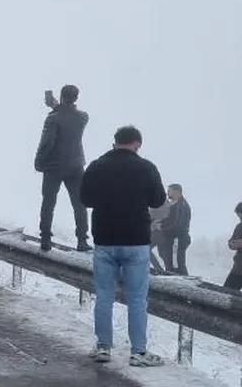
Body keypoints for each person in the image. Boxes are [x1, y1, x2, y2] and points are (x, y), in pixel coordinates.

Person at [79, 125, 167, 367]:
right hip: (136, 241)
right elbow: (158, 200)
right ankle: (138, 353)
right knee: (137, 298)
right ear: (137, 144)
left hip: (105, 239)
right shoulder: (146, 167)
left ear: (114, 142)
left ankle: (103, 347)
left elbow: (84, 199)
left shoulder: (97, 166)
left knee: (104, 295)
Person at [35, 85, 91, 252]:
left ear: (61, 96)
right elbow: (68, 114)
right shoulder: (83, 117)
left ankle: (45, 239)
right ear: (76, 98)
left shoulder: (53, 118)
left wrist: (38, 162)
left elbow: (47, 142)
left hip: (54, 165)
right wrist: (56, 106)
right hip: (75, 165)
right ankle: (82, 240)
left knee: (49, 202)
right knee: (79, 204)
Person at [160, 184, 192, 275]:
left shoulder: (182, 206)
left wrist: (162, 228)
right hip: (171, 238)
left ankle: (185, 285)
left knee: (177, 264)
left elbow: (179, 225)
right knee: (170, 263)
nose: (167, 193)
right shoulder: (174, 205)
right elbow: (169, 220)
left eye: (169, 191)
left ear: (177, 192)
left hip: (177, 239)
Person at [148, 199, 172, 272]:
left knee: (162, 252)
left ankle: (167, 269)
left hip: (161, 231)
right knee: (147, 249)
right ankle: (159, 268)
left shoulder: (164, 202)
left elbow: (167, 215)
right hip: (155, 232)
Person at [224, 203, 242, 291]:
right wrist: (232, 244)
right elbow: (231, 241)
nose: (240, 217)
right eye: (239, 216)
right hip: (238, 267)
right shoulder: (238, 227)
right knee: (227, 291)